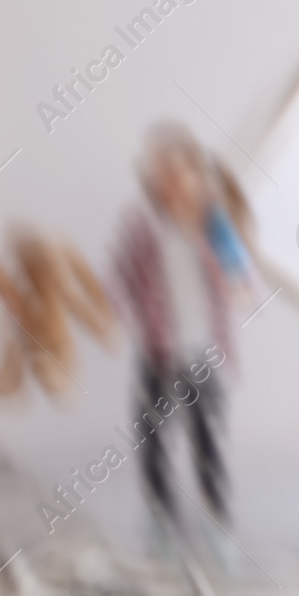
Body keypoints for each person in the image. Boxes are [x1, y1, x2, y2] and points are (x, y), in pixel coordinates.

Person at [115, 123, 236, 545]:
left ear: (196, 176)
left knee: (207, 442)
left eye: (179, 170)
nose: (170, 179)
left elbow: (238, 278)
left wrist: (231, 270)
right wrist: (108, 316)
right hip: (158, 352)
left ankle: (217, 526)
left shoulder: (212, 224)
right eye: (160, 172)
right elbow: (122, 280)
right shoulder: (141, 225)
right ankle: (160, 526)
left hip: (203, 353)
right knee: (151, 440)